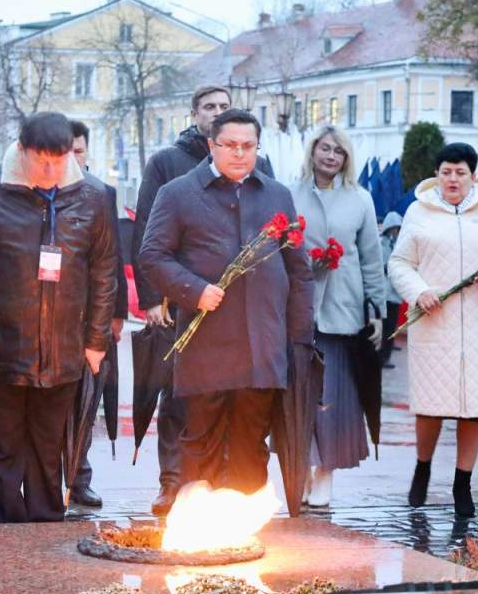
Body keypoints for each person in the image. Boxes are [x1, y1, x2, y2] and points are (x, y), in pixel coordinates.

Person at [0, 112, 117, 523]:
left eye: (59, 162)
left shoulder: (93, 196)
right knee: (0, 448)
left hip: (64, 348)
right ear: (21, 151)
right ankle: (3, 535)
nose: (51, 172)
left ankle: (44, 531)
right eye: (42, 162)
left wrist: (94, 342)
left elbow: (104, 272)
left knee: (49, 445)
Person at [139, 109, 313, 495]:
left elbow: (298, 270)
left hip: (262, 344)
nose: (239, 153)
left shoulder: (276, 194)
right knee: (202, 439)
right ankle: (197, 528)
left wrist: (299, 339)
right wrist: (193, 289)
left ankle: (246, 530)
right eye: (230, 145)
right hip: (207, 345)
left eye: (248, 146)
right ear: (211, 146)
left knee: (253, 442)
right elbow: (152, 256)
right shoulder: (179, 193)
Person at [130, 85, 274, 515]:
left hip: (239, 309)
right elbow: (146, 236)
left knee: (233, 400)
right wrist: (153, 297)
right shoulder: (168, 164)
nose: (216, 112)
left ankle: (226, 486)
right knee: (178, 397)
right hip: (182, 303)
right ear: (194, 115)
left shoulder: (256, 162)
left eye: (223, 106)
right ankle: (173, 481)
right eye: (209, 107)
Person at [389, 143, 478, 518]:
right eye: (446, 172)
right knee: (430, 408)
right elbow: (400, 263)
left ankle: (462, 484)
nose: (452, 179)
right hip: (437, 323)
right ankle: (422, 468)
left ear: (472, 175)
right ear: (437, 174)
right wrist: (420, 292)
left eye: (460, 172)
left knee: (474, 411)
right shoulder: (419, 211)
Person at [290, 126, 385, 508]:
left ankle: (325, 471)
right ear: (312, 151)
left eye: (338, 152)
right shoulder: (290, 193)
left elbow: (371, 258)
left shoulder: (360, 199)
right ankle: (298, 468)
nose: (330, 156)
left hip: (343, 308)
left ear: (347, 159)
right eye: (324, 148)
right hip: (298, 305)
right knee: (299, 395)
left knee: (334, 396)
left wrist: (377, 310)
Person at [66, 119, 129, 508]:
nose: (73, 158)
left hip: (96, 312)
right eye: (66, 150)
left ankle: (79, 476)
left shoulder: (103, 192)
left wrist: (117, 314)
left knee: (89, 399)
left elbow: (115, 256)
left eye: (79, 150)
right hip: (54, 312)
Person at [379, 211, 403, 368]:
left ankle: (387, 353)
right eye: (393, 228)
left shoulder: (398, 244)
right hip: (385, 293)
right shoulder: (382, 244)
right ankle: (382, 357)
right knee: (384, 327)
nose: (395, 231)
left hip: (395, 292)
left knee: (391, 326)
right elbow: (381, 266)